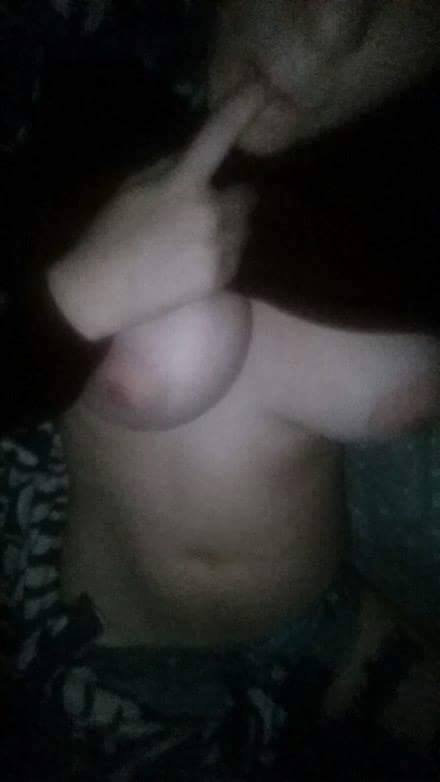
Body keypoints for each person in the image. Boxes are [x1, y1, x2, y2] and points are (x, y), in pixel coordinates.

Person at [2, 2, 440, 780]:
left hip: (325, 630)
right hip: (105, 662)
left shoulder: (406, 167)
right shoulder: (81, 92)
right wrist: (77, 300)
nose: (336, 24)